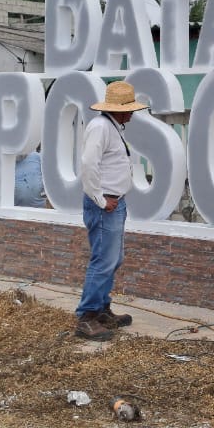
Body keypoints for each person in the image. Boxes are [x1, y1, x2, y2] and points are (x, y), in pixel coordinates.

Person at [74, 81, 147, 340]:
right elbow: (88, 164)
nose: (132, 113)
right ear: (119, 109)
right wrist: (100, 199)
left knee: (113, 259)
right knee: (104, 260)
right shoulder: (101, 127)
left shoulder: (110, 127)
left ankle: (101, 309)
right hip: (105, 204)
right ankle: (87, 316)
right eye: (129, 109)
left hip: (114, 202)